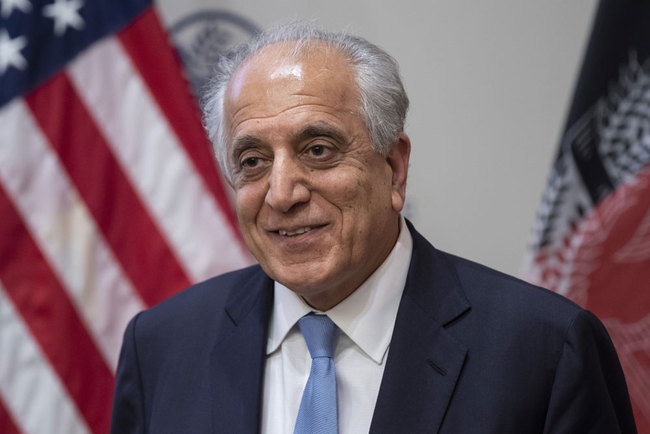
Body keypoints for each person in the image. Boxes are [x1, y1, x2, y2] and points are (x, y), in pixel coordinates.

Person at [110, 22, 637, 433]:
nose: (282, 193)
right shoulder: (161, 346)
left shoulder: (543, 351)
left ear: (395, 167)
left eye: (318, 150)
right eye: (251, 160)